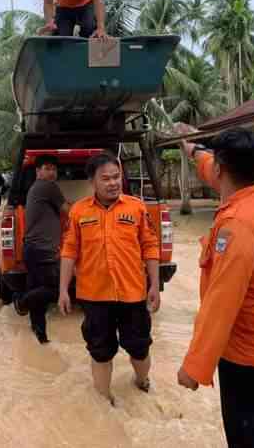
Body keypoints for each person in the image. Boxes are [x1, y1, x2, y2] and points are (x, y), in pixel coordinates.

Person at [174, 125, 254, 448]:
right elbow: (213, 170)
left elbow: (222, 302)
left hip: (250, 360)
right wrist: (192, 147)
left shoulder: (237, 227)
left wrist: (195, 366)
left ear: (222, 167)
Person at [59, 152, 160, 404]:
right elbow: (69, 251)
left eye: (117, 177)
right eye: (106, 178)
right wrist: (62, 290)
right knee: (100, 351)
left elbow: (150, 247)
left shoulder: (137, 208)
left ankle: (142, 382)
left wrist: (155, 285)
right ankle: (105, 401)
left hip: (133, 294)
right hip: (94, 296)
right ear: (92, 181)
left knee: (139, 346)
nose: (113, 183)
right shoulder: (78, 212)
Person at [13, 155, 70, 344]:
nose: (52, 172)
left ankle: (40, 335)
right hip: (43, 250)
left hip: (32, 248)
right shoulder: (48, 186)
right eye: (47, 168)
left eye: (54, 169)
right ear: (38, 171)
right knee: (57, 289)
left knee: (39, 293)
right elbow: (68, 210)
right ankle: (22, 301)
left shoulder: (36, 188)